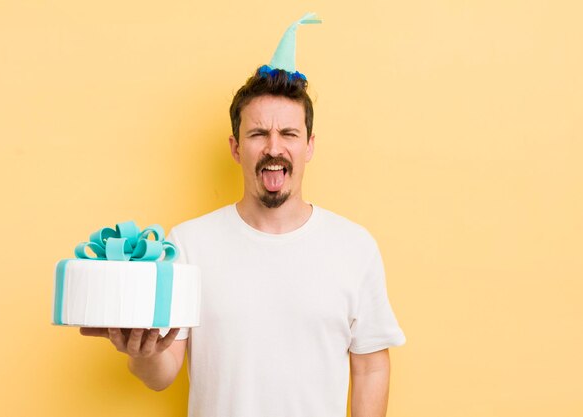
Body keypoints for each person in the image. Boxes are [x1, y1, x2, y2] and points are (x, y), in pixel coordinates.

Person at [81, 13, 405, 417]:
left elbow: (371, 366)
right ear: (236, 148)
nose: (274, 148)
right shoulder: (188, 244)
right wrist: (142, 351)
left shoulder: (355, 247)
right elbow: (162, 374)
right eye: (258, 134)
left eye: (289, 134)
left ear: (309, 146)